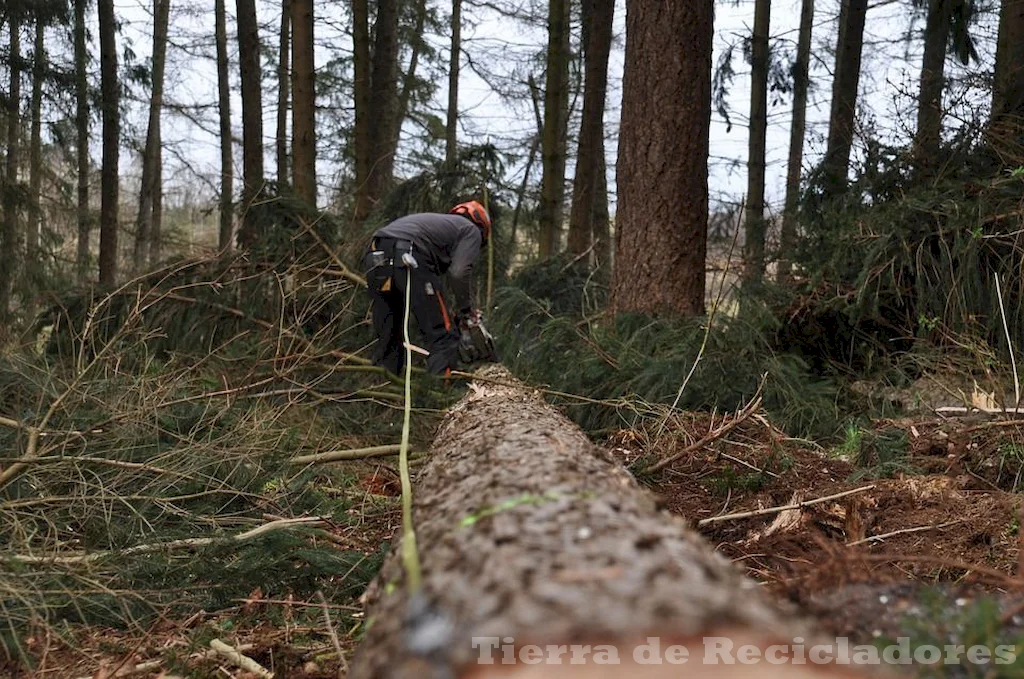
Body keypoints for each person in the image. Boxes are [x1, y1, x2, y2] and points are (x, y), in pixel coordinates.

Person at [362, 201, 497, 376]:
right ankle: (441, 394)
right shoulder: (470, 230)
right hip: (409, 256)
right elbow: (458, 273)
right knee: (443, 336)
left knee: (389, 337)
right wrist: (466, 311)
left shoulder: (439, 227)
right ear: (482, 227)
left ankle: (384, 392)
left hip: (376, 255)